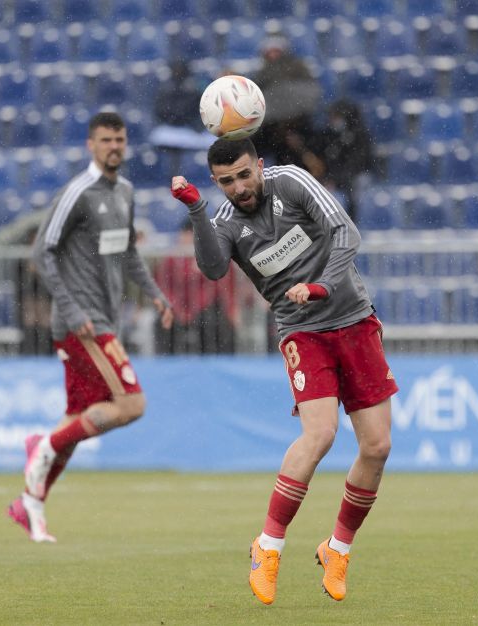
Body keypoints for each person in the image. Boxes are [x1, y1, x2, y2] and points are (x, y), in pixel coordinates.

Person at [170, 138, 398, 604]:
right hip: (301, 332)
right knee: (320, 435)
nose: (239, 187)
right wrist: (196, 209)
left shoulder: (291, 182)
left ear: (259, 165)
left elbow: (346, 234)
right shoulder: (225, 222)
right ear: (217, 182)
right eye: (226, 182)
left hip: (353, 319)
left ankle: (338, 549)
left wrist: (320, 285)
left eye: (244, 174)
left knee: (377, 446)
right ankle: (268, 545)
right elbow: (213, 270)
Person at [8, 111, 174, 543]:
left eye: (119, 138)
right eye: (105, 140)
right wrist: (70, 306)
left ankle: (30, 503)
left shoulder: (126, 192)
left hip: (104, 319)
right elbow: (42, 253)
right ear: (90, 145)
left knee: (76, 422)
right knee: (132, 404)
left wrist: (154, 292)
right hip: (82, 322)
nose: (114, 146)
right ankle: (42, 443)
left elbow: (128, 253)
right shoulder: (77, 192)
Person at [154, 218, 237, 354]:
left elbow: (213, 289)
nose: (187, 238)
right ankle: (166, 361)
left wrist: (194, 309)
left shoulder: (210, 257)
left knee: (213, 322)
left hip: (203, 310)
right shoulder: (170, 259)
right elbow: (164, 287)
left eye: (191, 234)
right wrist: (177, 308)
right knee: (162, 320)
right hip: (177, 309)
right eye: (185, 234)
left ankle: (212, 360)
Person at [252, 35, 323, 171]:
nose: (273, 54)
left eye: (276, 50)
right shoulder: (261, 74)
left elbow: (310, 93)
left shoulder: (298, 68)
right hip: (272, 127)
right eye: (270, 51)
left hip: (298, 123)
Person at [315, 99, 375, 224]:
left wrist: (336, 180)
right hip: (336, 178)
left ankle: (355, 222)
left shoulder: (360, 135)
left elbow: (357, 163)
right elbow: (327, 161)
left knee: (356, 191)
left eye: (336, 117)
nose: (332, 120)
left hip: (357, 175)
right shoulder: (329, 135)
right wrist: (329, 178)